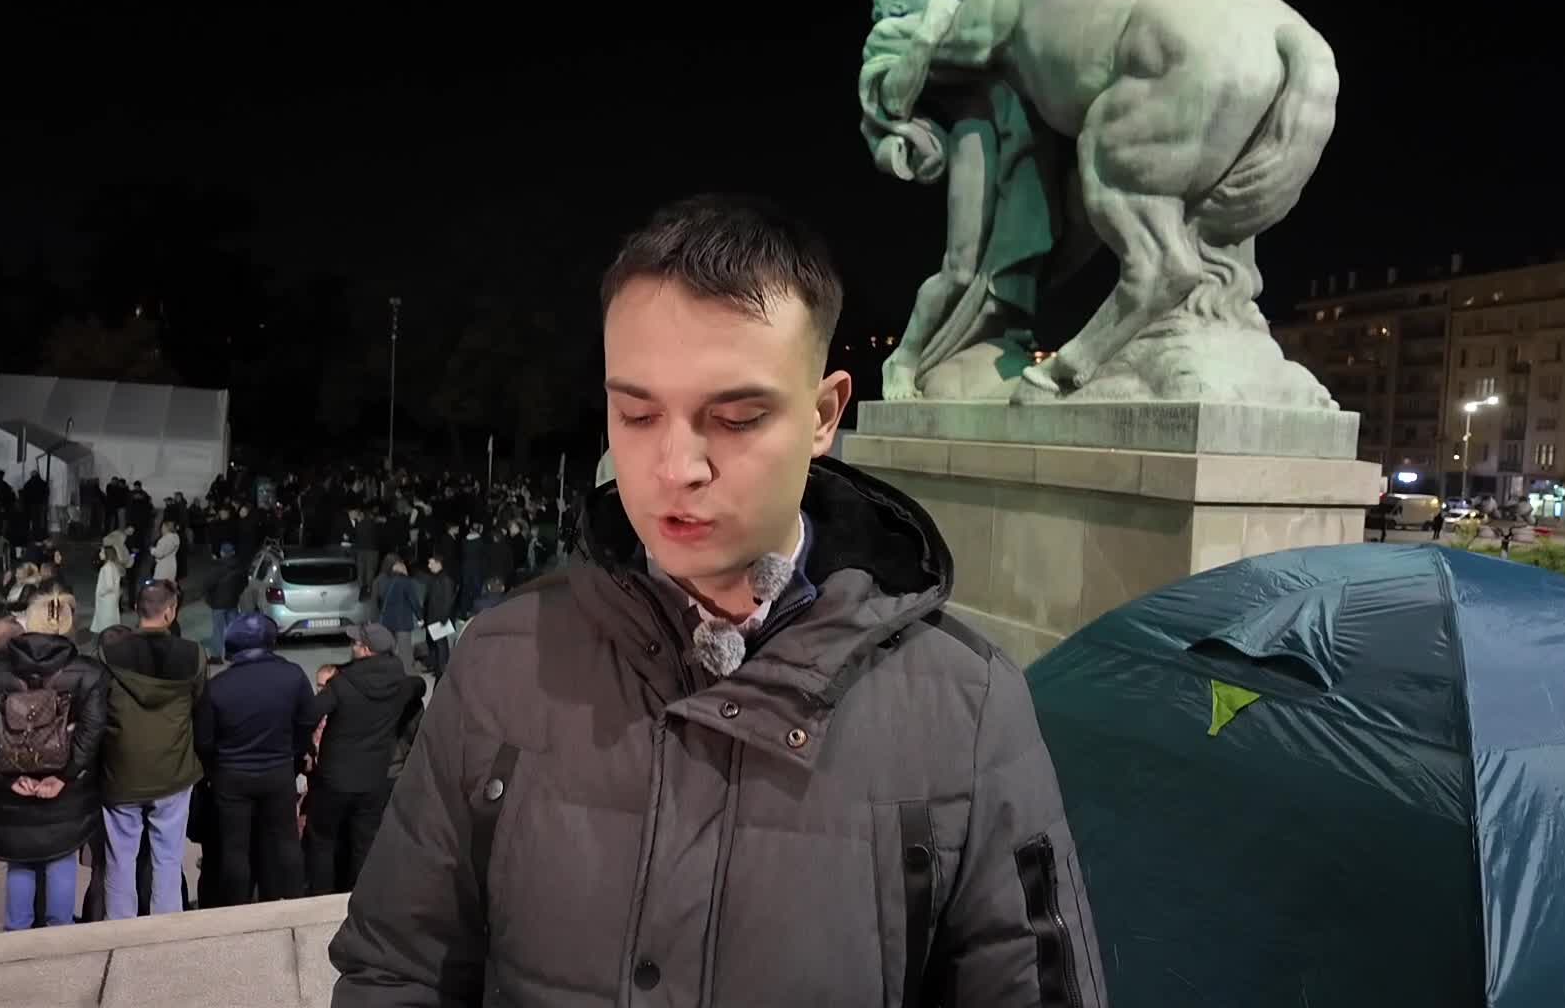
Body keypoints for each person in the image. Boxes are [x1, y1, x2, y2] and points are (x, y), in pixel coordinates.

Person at [329, 195, 1106, 1005]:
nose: (677, 467)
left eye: (735, 419)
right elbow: (395, 970)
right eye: (637, 414)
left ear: (824, 414)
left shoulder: (970, 708)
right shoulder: (499, 663)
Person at [0, 582, 108, 930]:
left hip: (12, 787)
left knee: (18, 860)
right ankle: (59, 933)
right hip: (64, 788)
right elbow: (91, 732)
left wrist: (4, 778)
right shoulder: (89, 672)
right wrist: (65, 775)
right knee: (61, 857)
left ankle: (18, 935)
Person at [97, 579, 206, 919]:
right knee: (168, 857)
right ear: (171, 612)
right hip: (173, 768)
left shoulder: (109, 655)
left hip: (122, 770)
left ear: (136, 610)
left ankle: (121, 929)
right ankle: (166, 928)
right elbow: (199, 704)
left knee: (120, 858)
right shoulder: (193, 654)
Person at [194, 613, 317, 906]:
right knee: (285, 841)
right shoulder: (293, 676)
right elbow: (307, 720)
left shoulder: (218, 686)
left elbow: (204, 740)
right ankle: (292, 901)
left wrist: (216, 770)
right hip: (278, 771)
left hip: (231, 776)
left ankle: (238, 907)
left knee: (234, 848)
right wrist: (293, 755)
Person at [304, 623, 425, 895]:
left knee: (322, 840)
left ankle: (321, 898)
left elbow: (309, 714)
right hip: (374, 779)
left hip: (334, 780)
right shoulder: (400, 685)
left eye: (356, 643)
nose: (352, 646)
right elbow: (418, 686)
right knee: (364, 842)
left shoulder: (342, 684)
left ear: (367, 650)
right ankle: (358, 897)